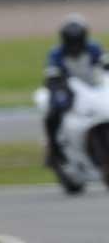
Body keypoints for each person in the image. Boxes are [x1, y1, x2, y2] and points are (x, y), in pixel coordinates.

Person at [43, 14, 106, 164]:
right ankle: (53, 148)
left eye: (77, 41)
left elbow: (104, 62)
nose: (75, 45)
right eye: (71, 41)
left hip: (93, 88)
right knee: (54, 111)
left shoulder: (94, 48)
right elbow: (51, 72)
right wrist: (56, 79)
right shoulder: (56, 53)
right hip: (68, 89)